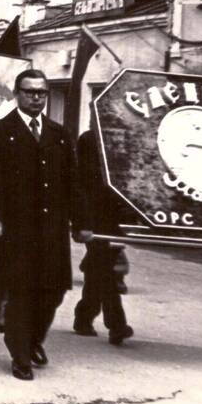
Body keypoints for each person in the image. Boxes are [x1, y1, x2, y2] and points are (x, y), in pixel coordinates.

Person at [0, 68, 89, 381]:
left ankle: (35, 339)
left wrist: (81, 222)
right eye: (29, 92)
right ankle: (20, 355)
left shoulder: (59, 134)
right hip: (17, 231)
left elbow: (72, 183)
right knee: (21, 293)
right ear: (17, 94)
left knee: (53, 292)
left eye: (41, 92)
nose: (36, 98)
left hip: (52, 231)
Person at [72, 122, 134, 346]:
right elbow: (82, 183)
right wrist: (81, 221)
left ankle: (84, 317)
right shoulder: (88, 140)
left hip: (113, 217)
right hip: (93, 216)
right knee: (105, 270)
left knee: (98, 268)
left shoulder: (122, 138)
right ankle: (116, 324)